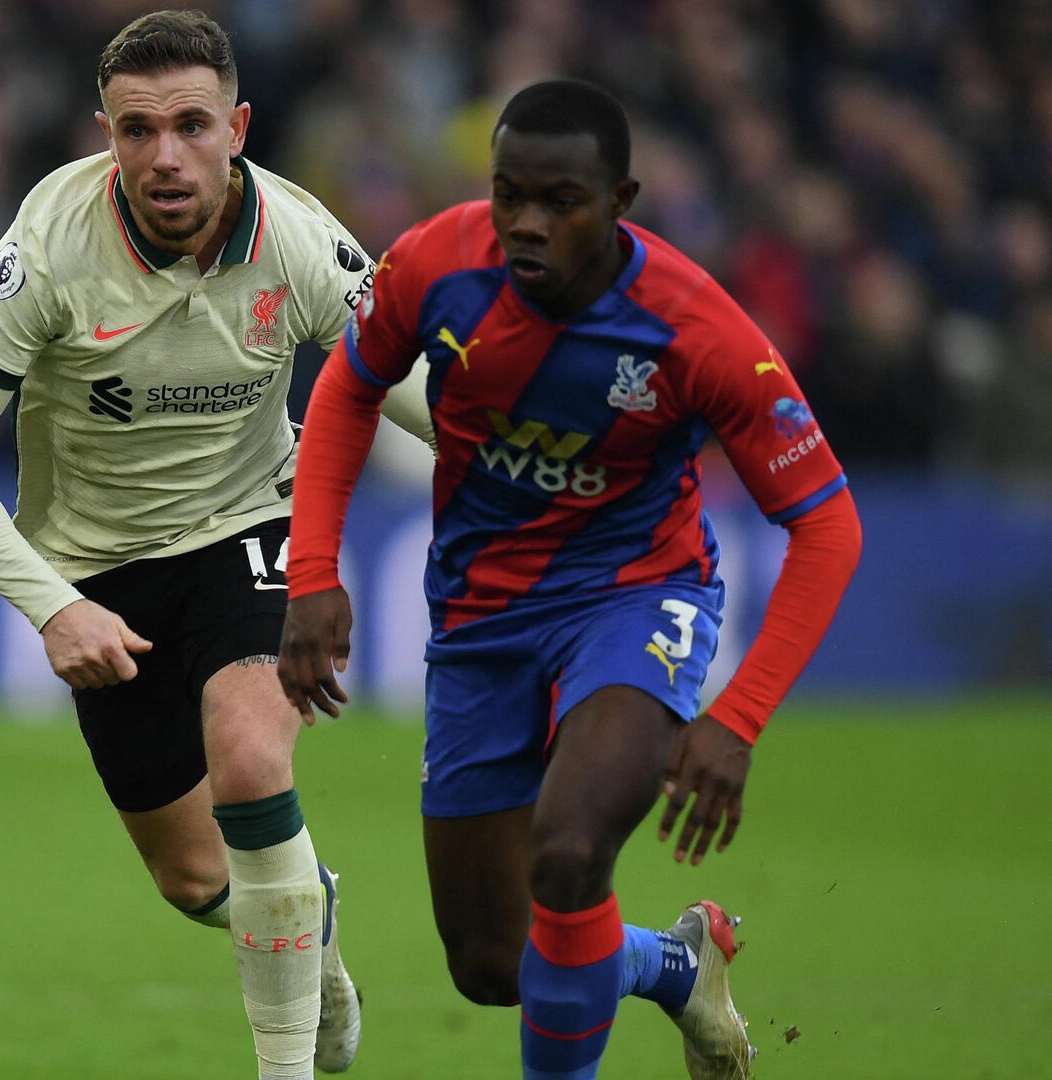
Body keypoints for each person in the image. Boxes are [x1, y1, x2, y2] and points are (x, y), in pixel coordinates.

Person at [278, 79, 863, 1080]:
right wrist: (313, 572)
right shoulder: (435, 263)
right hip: (481, 619)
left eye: (561, 201)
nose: (526, 225)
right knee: (491, 961)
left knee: (568, 850)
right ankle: (674, 967)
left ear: (621, 201)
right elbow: (349, 383)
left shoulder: (697, 331)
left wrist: (738, 717)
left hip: (634, 599)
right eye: (510, 195)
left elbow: (827, 525)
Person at [0, 10, 432, 1077]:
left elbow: (424, 392)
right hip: (99, 571)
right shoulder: (47, 248)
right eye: (138, 131)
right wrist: (56, 604)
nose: (166, 156)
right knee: (196, 881)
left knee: (247, 756)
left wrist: (551, 465)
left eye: (191, 125)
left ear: (237, 126)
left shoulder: (300, 238)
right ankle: (303, 923)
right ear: (107, 135)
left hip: (249, 524)